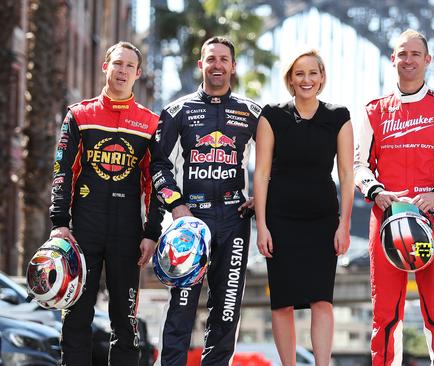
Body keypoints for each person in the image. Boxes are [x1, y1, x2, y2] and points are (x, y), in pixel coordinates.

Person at [354, 29, 434, 365]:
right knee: (386, 315)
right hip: (387, 221)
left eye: (415, 54)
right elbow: (358, 166)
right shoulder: (373, 111)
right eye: (402, 54)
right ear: (393, 59)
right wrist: (376, 192)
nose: (408, 60)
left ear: (427, 60)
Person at [49, 41, 163, 365]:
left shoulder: (150, 123)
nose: (122, 71)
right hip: (83, 230)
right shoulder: (79, 115)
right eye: (117, 64)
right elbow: (62, 172)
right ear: (105, 67)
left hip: (128, 233)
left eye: (129, 66)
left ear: (138, 74)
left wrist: (151, 232)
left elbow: (154, 180)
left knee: (126, 325)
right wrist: (59, 224)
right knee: (75, 319)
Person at [150, 36, 260, 366]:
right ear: (201, 64)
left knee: (226, 309)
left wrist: (260, 197)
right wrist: (176, 206)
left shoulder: (252, 112)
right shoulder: (176, 110)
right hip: (190, 221)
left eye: (223, 59)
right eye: (210, 59)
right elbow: (157, 164)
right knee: (181, 306)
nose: (217, 65)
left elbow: (277, 162)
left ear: (233, 66)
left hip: (234, 219)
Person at [254, 49, 354, 365]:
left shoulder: (338, 116)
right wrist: (262, 226)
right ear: (290, 79)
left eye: (313, 73)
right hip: (280, 220)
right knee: (282, 302)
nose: (306, 79)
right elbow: (261, 173)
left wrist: (344, 225)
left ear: (322, 77)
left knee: (322, 300)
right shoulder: (271, 116)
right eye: (299, 73)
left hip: (323, 220)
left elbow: (348, 174)